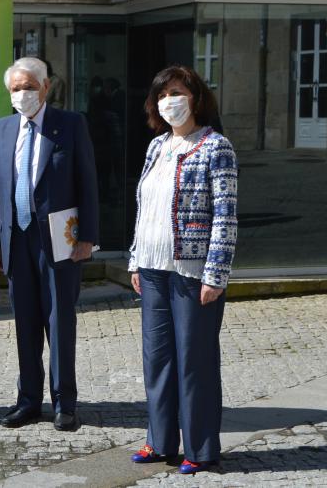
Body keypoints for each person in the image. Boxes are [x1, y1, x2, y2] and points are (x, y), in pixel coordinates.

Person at [127, 65, 238, 474]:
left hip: (193, 273)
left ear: (196, 98)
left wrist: (215, 274)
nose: (169, 100)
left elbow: (226, 216)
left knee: (196, 362)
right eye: (162, 94)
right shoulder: (156, 147)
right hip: (153, 269)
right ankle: (160, 442)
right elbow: (145, 209)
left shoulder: (215, 147)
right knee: (157, 359)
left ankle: (201, 449)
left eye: (177, 92)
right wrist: (136, 259)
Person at [0, 57, 99, 431]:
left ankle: (65, 403)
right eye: (16, 89)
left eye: (29, 87)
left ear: (45, 87)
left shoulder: (69, 124)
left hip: (59, 239)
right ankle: (28, 400)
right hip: (16, 239)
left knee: (59, 321)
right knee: (25, 323)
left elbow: (88, 182)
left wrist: (88, 238)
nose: (22, 95)